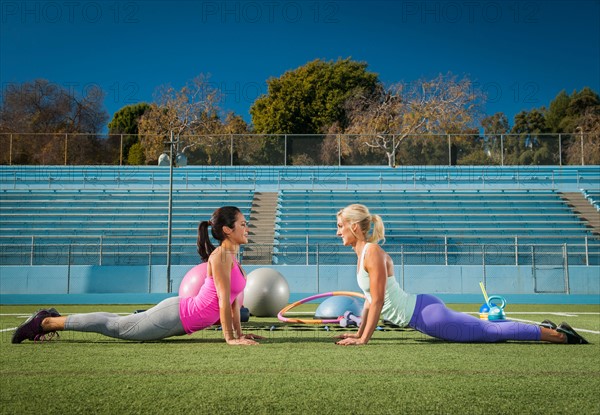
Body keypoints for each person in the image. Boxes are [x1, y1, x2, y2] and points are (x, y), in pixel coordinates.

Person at [333, 204, 589, 346]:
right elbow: (368, 299)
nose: (337, 232)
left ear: (354, 226)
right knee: (486, 329)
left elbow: (377, 301)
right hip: (423, 310)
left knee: (490, 333)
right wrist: (358, 332)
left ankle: (559, 336)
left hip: (426, 316)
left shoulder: (372, 252)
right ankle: (545, 328)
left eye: (340, 226)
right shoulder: (363, 254)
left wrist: (364, 339)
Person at [12, 206, 263, 346]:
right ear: (228, 230)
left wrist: (239, 334)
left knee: (117, 321)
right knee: (117, 327)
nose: (246, 227)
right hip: (176, 316)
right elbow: (221, 301)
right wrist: (230, 339)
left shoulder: (234, 260)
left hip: (181, 318)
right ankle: (45, 322)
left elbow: (233, 304)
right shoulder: (220, 257)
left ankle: (51, 318)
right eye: (242, 224)